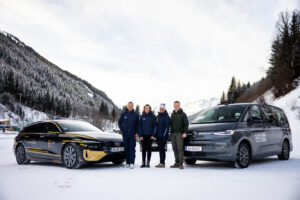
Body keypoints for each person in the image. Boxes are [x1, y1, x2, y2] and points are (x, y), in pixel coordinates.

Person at [118, 102, 139, 169]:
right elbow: (119, 122)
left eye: (131, 105)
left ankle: (132, 163)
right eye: (129, 105)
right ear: (127, 106)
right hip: (125, 135)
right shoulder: (123, 114)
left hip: (133, 135)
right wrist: (122, 129)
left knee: (132, 149)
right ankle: (127, 162)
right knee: (126, 149)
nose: (130, 106)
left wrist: (136, 133)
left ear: (133, 106)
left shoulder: (136, 115)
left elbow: (137, 125)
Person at [170, 100, 189, 169]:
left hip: (179, 134)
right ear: (173, 106)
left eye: (177, 105)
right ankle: (177, 162)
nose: (176, 106)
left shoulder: (183, 114)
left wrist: (185, 132)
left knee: (180, 149)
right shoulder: (172, 114)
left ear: (179, 106)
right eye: (175, 105)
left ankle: (181, 164)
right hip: (173, 134)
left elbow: (186, 124)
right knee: (174, 149)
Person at [155, 103, 170, 168]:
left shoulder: (166, 117)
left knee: (162, 150)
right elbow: (156, 126)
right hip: (158, 136)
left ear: (164, 109)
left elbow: (167, 127)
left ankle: (162, 163)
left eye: (162, 108)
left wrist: (164, 136)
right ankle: (161, 162)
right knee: (160, 150)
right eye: (160, 108)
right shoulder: (157, 116)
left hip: (163, 137)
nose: (161, 109)